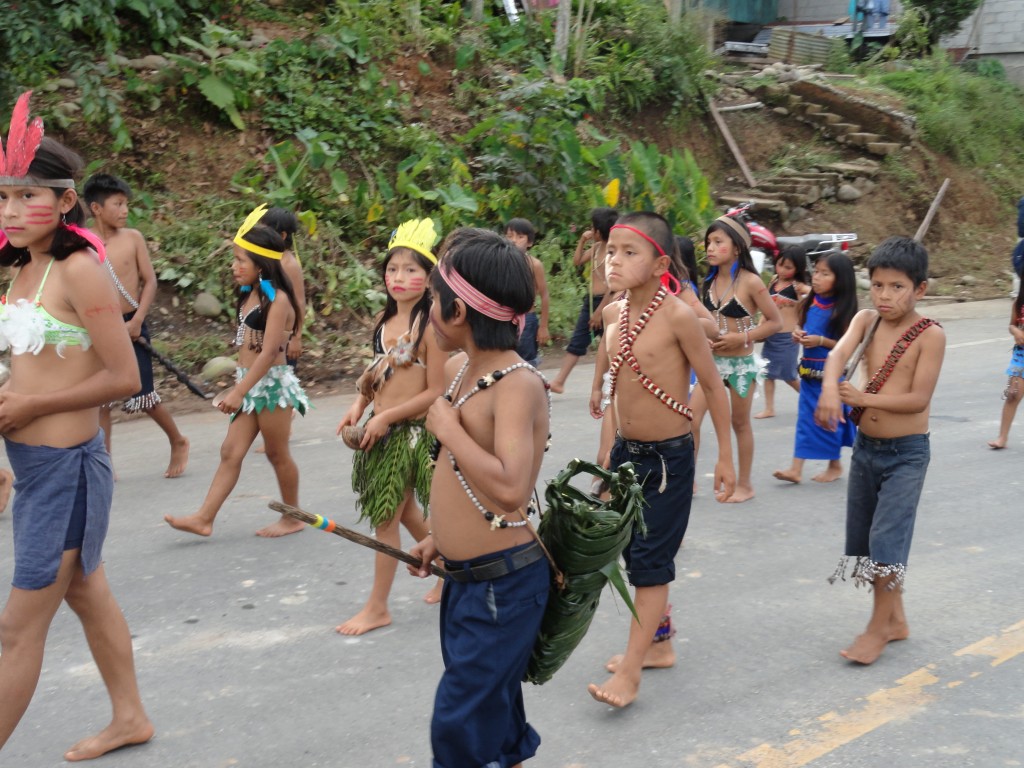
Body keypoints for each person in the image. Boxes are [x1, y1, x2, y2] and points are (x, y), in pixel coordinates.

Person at [0, 97, 153, 761]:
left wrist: (31, 409)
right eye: (3, 197)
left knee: (15, 630)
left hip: (67, 474)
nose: (9, 211)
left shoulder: (79, 269)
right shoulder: (21, 268)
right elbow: (36, 364)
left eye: (25, 196)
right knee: (86, 592)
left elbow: (124, 377)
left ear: (64, 202)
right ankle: (130, 717)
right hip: (35, 472)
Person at [407, 227, 551, 766]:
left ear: (459, 312)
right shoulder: (458, 370)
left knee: (459, 722)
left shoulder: (517, 383)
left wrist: (449, 429)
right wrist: (439, 540)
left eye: (432, 301)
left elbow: (511, 487)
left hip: (505, 583)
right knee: (490, 710)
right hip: (468, 581)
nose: (426, 313)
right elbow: (461, 480)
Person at [586, 212, 735, 709]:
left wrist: (725, 459)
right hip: (627, 454)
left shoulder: (678, 316)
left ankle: (630, 671)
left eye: (630, 253)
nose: (615, 261)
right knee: (633, 555)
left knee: (650, 564)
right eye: (611, 251)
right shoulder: (612, 315)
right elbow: (612, 370)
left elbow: (713, 385)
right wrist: (601, 409)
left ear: (660, 263)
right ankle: (659, 645)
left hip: (670, 460)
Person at [817, 236, 945, 665]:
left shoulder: (931, 336)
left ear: (920, 289)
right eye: (878, 285)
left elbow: (918, 399)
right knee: (867, 538)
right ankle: (897, 619)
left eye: (897, 287)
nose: (885, 296)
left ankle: (877, 627)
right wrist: (830, 392)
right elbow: (836, 355)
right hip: (867, 449)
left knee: (884, 540)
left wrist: (863, 399)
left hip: (907, 453)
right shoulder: (867, 320)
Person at [164, 206, 309, 538]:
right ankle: (204, 518)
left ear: (261, 264)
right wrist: (240, 385)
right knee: (230, 451)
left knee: (277, 452)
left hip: (270, 386)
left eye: (241, 260)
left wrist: (238, 391)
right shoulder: (254, 293)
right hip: (249, 383)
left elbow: (272, 350)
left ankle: (293, 516)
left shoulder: (277, 298)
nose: (234, 266)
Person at [335, 218, 445, 635]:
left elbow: (435, 390)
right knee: (407, 513)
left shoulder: (430, 326)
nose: (399, 278)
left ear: (429, 276)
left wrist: (384, 417)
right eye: (392, 269)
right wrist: (359, 405)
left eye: (411, 270)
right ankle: (451, 568)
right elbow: (379, 373)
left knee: (386, 516)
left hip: (411, 435)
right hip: (383, 429)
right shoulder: (385, 323)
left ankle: (378, 607)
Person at [83, 173, 190, 478]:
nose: (125, 210)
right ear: (96, 208)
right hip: (101, 328)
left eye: (126, 204)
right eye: (118, 204)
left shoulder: (133, 238)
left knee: (144, 395)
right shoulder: (82, 242)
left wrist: (138, 320)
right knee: (102, 399)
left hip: (133, 323)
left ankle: (178, 439)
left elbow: (151, 280)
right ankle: (105, 464)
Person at [690, 215, 782, 503]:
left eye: (719, 242)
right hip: (712, 364)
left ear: (737, 248)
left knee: (740, 423)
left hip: (741, 366)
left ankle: (745, 485)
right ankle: (686, 480)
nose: (711, 248)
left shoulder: (752, 282)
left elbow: (775, 322)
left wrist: (743, 338)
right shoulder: (709, 281)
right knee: (690, 420)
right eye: (709, 242)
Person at [773, 251, 857, 483]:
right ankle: (796, 469)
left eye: (824, 274)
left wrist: (821, 341)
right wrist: (797, 333)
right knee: (805, 420)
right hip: (808, 373)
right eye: (816, 272)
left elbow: (846, 344)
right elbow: (802, 325)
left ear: (840, 279)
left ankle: (834, 465)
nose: (817, 278)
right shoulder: (810, 302)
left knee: (829, 419)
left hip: (829, 377)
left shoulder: (842, 310)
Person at [550, 207, 617, 393]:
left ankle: (610, 382)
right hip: (590, 302)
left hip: (607, 302)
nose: (590, 230)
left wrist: (599, 312)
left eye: (592, 228)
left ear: (599, 230)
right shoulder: (596, 248)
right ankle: (559, 381)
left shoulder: (613, 253)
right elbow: (577, 261)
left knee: (610, 344)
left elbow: (613, 286)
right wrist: (582, 240)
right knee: (578, 340)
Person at [755, 246, 809, 419]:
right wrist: (760, 326)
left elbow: (815, 293)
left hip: (788, 337)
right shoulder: (773, 281)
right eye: (780, 265)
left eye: (788, 267)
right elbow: (766, 307)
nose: (783, 270)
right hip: (772, 335)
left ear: (798, 269)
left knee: (789, 375)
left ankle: (811, 401)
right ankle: (769, 408)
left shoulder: (797, 286)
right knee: (767, 373)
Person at [504, 217, 550, 367]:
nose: (514, 240)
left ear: (529, 242)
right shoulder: (500, 263)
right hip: (504, 318)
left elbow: (544, 295)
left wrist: (543, 327)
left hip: (527, 320)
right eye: (509, 236)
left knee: (527, 363)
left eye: (520, 237)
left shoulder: (534, 265)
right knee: (504, 360)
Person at [986, 287, 1024, 449]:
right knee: (1012, 395)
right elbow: (1011, 325)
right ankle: (1002, 437)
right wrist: (1016, 331)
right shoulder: (1019, 303)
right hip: (1021, 355)